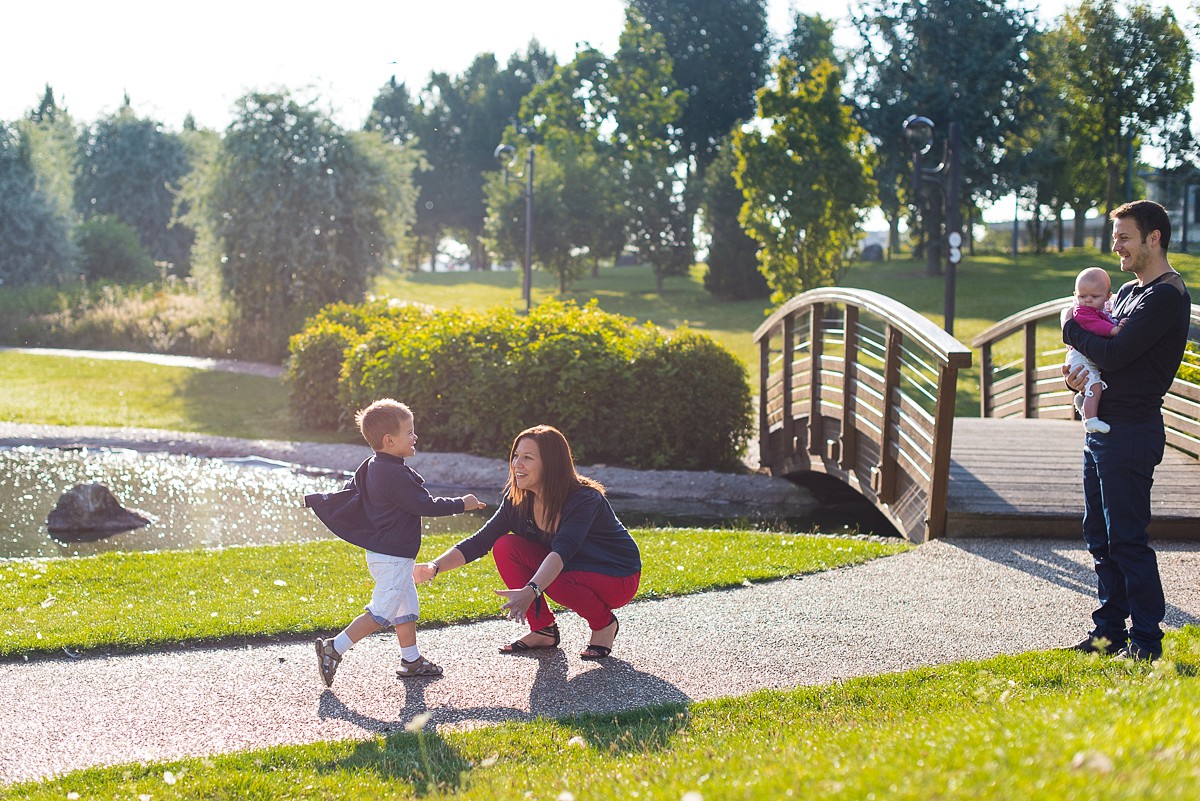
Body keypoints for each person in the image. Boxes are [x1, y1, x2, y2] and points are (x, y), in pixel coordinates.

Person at [1062, 199, 1191, 663]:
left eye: (1124, 237)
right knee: (1098, 535)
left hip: (1132, 430)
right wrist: (1075, 375)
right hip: (1102, 431)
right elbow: (1102, 358)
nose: (1115, 245)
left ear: (1153, 238)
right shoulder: (1131, 293)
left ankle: (1147, 643)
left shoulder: (1166, 296)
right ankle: (1107, 634)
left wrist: (1069, 329)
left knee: (1127, 540)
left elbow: (1116, 356)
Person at [414, 424, 641, 660]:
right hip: (570, 569)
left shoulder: (584, 498)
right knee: (505, 546)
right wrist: (434, 567)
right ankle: (543, 629)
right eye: (515, 456)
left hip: (617, 575)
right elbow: (481, 541)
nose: (516, 464)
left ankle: (603, 625)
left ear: (551, 464)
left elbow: (563, 551)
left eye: (528, 458)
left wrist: (532, 589)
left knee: (551, 579)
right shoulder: (517, 500)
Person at [304, 398, 486, 685]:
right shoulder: (393, 474)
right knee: (382, 611)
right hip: (392, 557)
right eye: (409, 432)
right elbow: (425, 504)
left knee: (406, 607)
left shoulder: (374, 465)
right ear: (389, 440)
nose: (415, 437)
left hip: (386, 554)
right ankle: (333, 648)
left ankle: (411, 661)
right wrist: (462, 503)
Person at [1064, 266, 1125, 434]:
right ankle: (1090, 420)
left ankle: (1083, 401)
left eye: (1094, 296)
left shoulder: (1102, 309)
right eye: (1082, 296)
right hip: (1081, 358)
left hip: (1087, 356)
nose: (1088, 300)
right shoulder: (1081, 312)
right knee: (1095, 386)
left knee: (1092, 385)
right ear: (1075, 295)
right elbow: (1096, 326)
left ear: (1108, 296)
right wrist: (1114, 330)